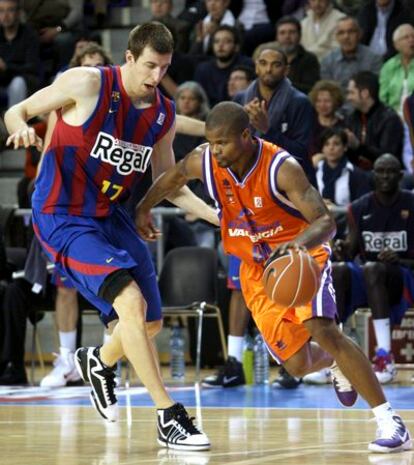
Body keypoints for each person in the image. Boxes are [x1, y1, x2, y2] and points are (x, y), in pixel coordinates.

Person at [136, 101, 412, 453]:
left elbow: (325, 222)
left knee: (321, 328)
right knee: (296, 364)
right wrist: (144, 207)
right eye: (211, 141)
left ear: (246, 136)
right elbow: (171, 179)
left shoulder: (282, 168)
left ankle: (390, 420)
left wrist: (296, 246)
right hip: (256, 268)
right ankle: (334, 361)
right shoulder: (203, 160)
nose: (215, 150)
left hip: (301, 256)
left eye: (222, 142)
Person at [4, 22, 215, 450]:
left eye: (165, 68)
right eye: (150, 66)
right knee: (130, 303)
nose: (156, 78)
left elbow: (169, 183)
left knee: (150, 322)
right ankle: (168, 416)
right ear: (130, 59)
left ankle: (97, 362)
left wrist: (222, 218)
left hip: (110, 214)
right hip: (62, 215)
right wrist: (22, 126)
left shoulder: (163, 114)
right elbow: (16, 110)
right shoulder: (86, 83)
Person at [332, 154, 414, 385]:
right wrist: (342, 249)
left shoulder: (411, 203)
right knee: (338, 270)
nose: (385, 176)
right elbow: (351, 248)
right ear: (373, 175)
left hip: (404, 275)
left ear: (400, 176)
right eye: (380, 171)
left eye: (390, 171)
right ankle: (334, 354)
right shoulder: (359, 207)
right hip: (371, 276)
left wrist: (398, 259)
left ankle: (384, 357)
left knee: (372, 268)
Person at [345, 71, 404, 169]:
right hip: (356, 174)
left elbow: (387, 158)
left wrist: (359, 146)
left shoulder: (389, 119)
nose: (348, 97)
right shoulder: (352, 118)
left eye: (352, 93)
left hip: (383, 176)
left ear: (365, 93)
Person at [321, 16, 383, 94]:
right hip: (338, 104)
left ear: (359, 34)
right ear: (336, 37)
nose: (346, 37)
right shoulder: (327, 61)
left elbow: (374, 91)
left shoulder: (374, 59)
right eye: (341, 33)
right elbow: (328, 93)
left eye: (351, 32)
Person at [0, 0, 40, 110]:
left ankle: (14, 125)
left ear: (18, 13)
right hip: (2, 78)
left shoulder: (29, 35)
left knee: (18, 83)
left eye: (10, 10)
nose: (5, 16)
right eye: (1, 11)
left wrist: (6, 67)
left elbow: (31, 68)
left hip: (24, 80)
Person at [308, 79, 345, 165]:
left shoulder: (344, 125)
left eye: (327, 101)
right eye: (318, 101)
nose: (322, 105)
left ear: (336, 102)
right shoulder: (308, 125)